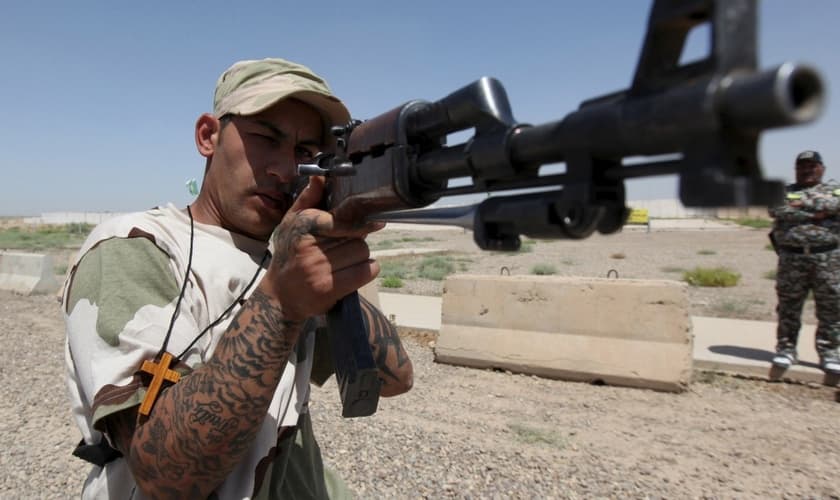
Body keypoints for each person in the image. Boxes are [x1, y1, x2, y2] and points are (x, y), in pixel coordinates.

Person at [63, 58, 413, 499]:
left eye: (306, 154)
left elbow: (393, 379)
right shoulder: (134, 245)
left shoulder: (285, 256)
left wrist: (332, 275)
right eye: (266, 139)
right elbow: (165, 476)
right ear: (208, 136)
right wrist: (283, 301)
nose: (284, 170)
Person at [768, 150, 840, 375]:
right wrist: (816, 213)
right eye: (802, 166)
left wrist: (799, 207)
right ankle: (786, 350)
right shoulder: (784, 192)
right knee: (789, 306)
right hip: (792, 258)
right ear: (796, 169)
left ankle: (830, 352)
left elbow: (835, 205)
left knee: (831, 306)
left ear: (822, 169)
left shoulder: (834, 190)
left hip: (827, 258)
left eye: (812, 166)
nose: (807, 170)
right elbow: (776, 209)